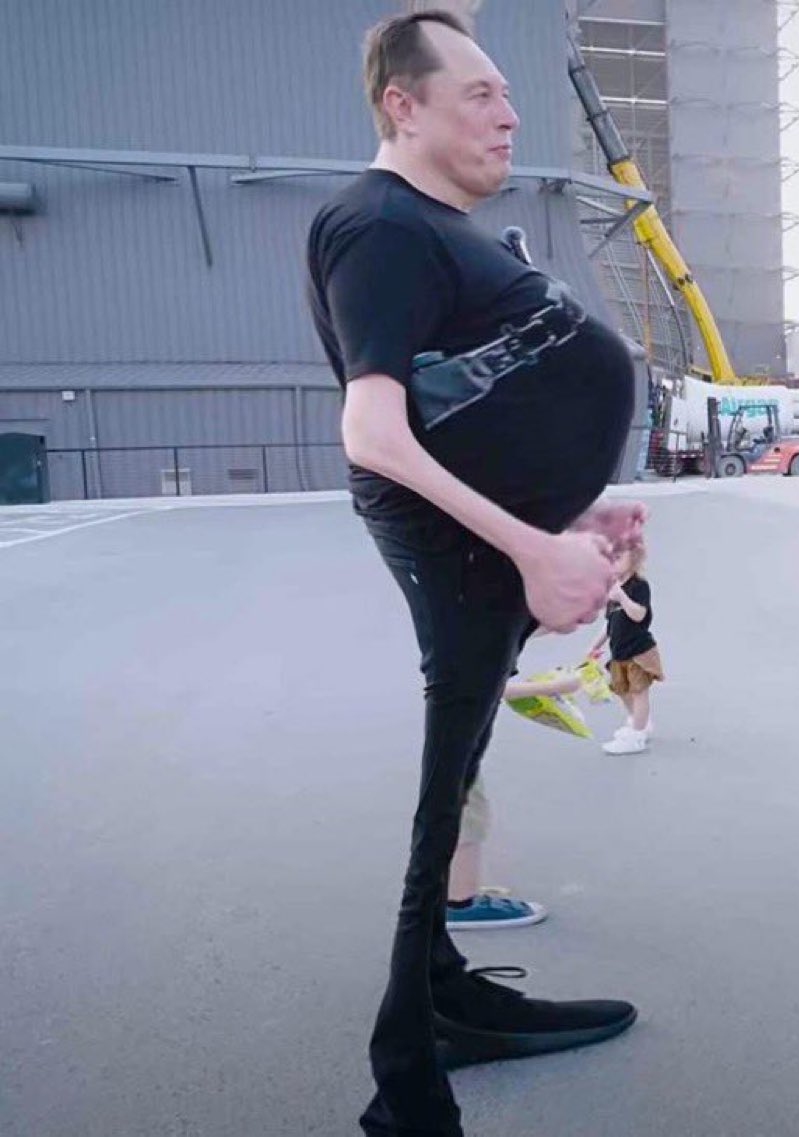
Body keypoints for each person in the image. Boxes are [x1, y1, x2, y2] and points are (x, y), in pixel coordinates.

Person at [306, 11, 645, 1136]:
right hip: (456, 555)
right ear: (402, 106)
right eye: (480, 95)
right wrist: (532, 548)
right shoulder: (378, 225)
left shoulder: (431, 227)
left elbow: (455, 409)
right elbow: (374, 432)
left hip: (482, 541)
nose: (508, 115)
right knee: (440, 792)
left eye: (507, 95)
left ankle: (444, 994)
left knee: (455, 777)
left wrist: (567, 508)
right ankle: (406, 1080)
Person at [447, 667, 583, 931]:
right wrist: (553, 687)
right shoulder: (461, 646)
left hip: (453, 735)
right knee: (468, 817)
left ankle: (450, 889)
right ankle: (458, 903)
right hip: (454, 739)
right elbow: (477, 686)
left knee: (460, 811)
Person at [591, 549, 664, 755]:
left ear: (634, 559)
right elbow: (610, 623)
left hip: (639, 651)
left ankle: (637, 736)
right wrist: (595, 646)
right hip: (619, 652)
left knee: (639, 691)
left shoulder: (638, 586)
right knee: (622, 690)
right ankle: (639, 722)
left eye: (618, 558)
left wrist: (622, 597)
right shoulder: (614, 589)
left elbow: (639, 615)